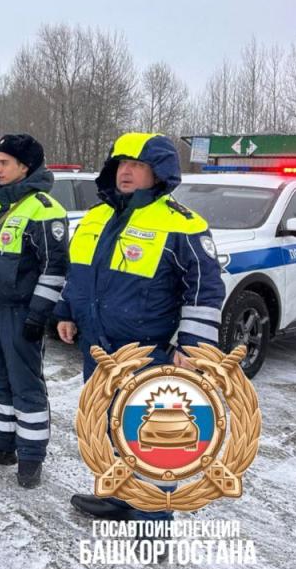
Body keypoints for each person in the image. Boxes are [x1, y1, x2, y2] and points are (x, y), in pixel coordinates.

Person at [55, 133, 224, 520]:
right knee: (109, 426)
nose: (125, 172)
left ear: (158, 172)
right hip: (98, 348)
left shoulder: (181, 224)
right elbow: (77, 272)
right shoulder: (96, 217)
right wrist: (65, 310)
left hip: (151, 352)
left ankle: (152, 518)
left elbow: (205, 289)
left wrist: (193, 346)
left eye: (137, 165)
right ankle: (119, 496)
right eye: (121, 164)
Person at [0, 134, 67, 488]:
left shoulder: (44, 209)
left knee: (25, 383)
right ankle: (1, 443)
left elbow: (54, 268)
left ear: (25, 166)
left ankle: (31, 455)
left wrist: (39, 314)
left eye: (5, 162)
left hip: (21, 311)